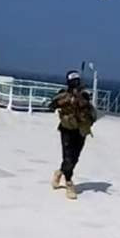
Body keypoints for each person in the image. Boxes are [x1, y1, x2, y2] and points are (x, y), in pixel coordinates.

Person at [48, 70, 98, 200]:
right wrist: (64, 101)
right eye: (73, 82)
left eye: (77, 81)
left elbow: (86, 106)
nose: (76, 84)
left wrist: (78, 97)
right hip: (67, 129)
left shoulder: (84, 94)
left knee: (74, 158)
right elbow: (52, 105)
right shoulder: (63, 94)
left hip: (81, 130)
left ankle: (60, 172)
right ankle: (69, 183)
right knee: (68, 156)